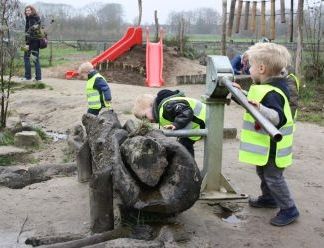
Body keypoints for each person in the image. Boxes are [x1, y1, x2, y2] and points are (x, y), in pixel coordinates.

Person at [237, 42, 299, 226]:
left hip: (275, 146)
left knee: (273, 177)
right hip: (267, 145)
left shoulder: (273, 92)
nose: (249, 69)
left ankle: (289, 209)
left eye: (251, 65)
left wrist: (260, 108)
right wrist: (241, 94)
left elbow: (276, 117)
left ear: (262, 68)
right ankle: (269, 198)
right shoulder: (267, 87)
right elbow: (257, 101)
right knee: (263, 171)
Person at [132, 89, 206, 157]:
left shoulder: (167, 106)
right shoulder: (165, 108)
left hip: (209, 119)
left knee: (184, 147)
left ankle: (191, 169)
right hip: (198, 124)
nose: (146, 121)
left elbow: (186, 111)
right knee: (184, 146)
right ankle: (191, 167)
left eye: (145, 116)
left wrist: (176, 124)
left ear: (151, 105)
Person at [23, 5, 42, 82]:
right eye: (26, 10)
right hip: (36, 42)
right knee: (36, 60)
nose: (27, 12)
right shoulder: (36, 18)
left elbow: (30, 33)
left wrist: (27, 44)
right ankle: (38, 78)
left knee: (26, 58)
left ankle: (27, 77)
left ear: (32, 11)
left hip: (31, 42)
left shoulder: (31, 19)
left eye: (29, 10)